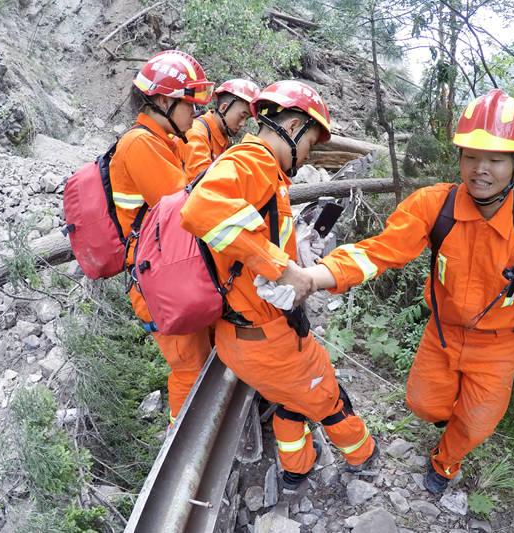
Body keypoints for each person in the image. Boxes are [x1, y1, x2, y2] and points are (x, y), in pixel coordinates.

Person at [273, 89, 514, 494]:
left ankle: (445, 462)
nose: (480, 169)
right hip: (443, 332)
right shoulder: (435, 206)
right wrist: (315, 276)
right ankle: (449, 420)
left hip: (499, 347)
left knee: (477, 423)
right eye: (471, 156)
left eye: (495, 159)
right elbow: (380, 252)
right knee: (422, 404)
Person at [179, 80, 378, 491]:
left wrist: (296, 252)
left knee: (291, 399)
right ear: (293, 125)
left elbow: (250, 239)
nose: (307, 158)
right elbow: (200, 207)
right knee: (326, 397)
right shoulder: (253, 161)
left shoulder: (265, 174)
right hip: (267, 339)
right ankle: (364, 458)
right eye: (309, 145)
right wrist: (282, 269)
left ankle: (296, 470)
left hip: (246, 334)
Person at [110, 50, 216, 423]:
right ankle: (183, 444)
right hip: (157, 279)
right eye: (190, 105)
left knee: (203, 356)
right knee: (189, 367)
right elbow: (187, 206)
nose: (196, 113)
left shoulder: (166, 140)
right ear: (164, 101)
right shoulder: (139, 144)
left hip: (169, 267)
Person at [178, 79, 260, 180]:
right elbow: (202, 183)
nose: (242, 124)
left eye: (246, 119)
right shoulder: (197, 133)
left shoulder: (223, 137)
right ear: (223, 108)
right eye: (242, 116)